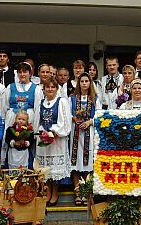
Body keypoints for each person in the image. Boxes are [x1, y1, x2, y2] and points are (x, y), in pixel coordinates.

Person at [34, 78, 71, 206]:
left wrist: (54, 132)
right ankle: (48, 192)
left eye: (52, 87)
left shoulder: (62, 102)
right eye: (47, 87)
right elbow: (37, 121)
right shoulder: (41, 103)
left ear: (57, 89)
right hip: (44, 140)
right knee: (45, 169)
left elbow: (65, 122)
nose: (50, 89)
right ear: (44, 89)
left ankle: (55, 193)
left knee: (55, 169)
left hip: (57, 140)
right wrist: (41, 133)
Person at [69, 73, 98, 206]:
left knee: (87, 163)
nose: (84, 83)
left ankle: (86, 191)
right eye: (82, 81)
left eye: (87, 81)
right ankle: (77, 192)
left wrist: (90, 122)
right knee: (75, 162)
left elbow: (99, 115)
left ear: (90, 83)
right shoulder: (73, 98)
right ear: (78, 83)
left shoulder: (95, 98)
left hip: (89, 132)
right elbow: (67, 113)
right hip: (75, 132)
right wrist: (74, 118)